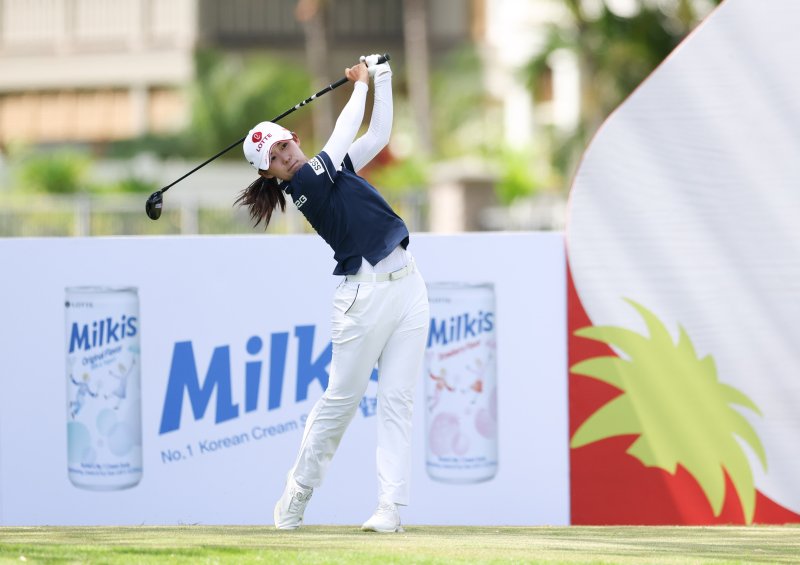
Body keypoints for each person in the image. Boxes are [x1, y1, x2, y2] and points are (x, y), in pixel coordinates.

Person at [236, 55, 429, 533]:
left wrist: (381, 79)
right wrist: (359, 85)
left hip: (408, 288)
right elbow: (344, 131)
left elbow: (377, 136)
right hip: (361, 301)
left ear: (292, 139)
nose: (285, 158)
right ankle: (296, 494)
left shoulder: (330, 167)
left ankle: (390, 510)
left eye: (283, 147)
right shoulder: (305, 183)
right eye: (275, 161)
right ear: (271, 176)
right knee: (340, 404)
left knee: (399, 402)